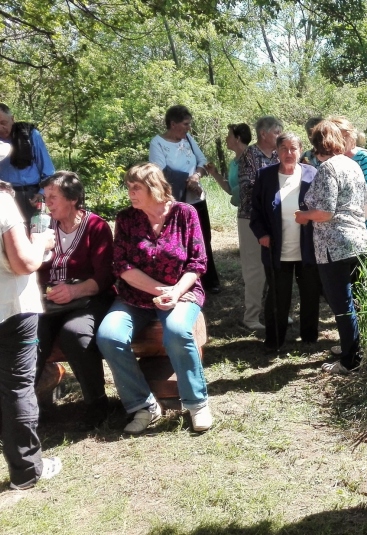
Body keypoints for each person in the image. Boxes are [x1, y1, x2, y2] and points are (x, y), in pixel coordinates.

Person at [96, 163, 212, 434]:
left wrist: (175, 292)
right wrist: (161, 290)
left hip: (182, 292)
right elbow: (121, 266)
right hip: (135, 296)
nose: (130, 194)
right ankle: (143, 405)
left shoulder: (185, 213)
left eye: (136, 188)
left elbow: (197, 263)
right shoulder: (126, 219)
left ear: (154, 188)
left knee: (176, 331)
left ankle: (197, 403)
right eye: (129, 188)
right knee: (109, 335)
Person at [35, 171, 115, 429]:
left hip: (87, 300)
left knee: (75, 334)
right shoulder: (42, 227)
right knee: (30, 337)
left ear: (72, 199)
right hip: (48, 303)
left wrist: (74, 291)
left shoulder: (96, 227)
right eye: (46, 197)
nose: (48, 203)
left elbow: (105, 276)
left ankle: (96, 403)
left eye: (53, 197)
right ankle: (21, 408)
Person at [295, 120, 367, 374]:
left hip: (334, 245)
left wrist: (304, 216)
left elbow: (325, 212)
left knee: (341, 305)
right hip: (358, 240)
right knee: (353, 301)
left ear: (316, 144)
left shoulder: (327, 168)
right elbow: (363, 206)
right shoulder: (353, 165)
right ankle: (355, 347)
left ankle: (351, 360)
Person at [0, 180, 61, 489]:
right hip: (10, 307)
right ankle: (26, 471)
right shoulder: (2, 201)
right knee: (17, 387)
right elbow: (23, 263)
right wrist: (41, 244)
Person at [251, 133, 321, 351]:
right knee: (278, 296)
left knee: (310, 294)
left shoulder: (312, 174)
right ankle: (275, 340)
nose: (289, 153)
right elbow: (256, 212)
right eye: (284, 148)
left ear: (301, 151)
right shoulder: (265, 176)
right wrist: (262, 234)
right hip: (276, 249)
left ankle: (309, 337)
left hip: (307, 248)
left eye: (293, 148)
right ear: (277, 151)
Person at [149, 104, 220, 293]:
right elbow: (158, 172)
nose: (189, 128)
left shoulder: (187, 138)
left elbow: (202, 161)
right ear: (173, 124)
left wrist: (195, 177)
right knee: (179, 241)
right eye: (186, 124)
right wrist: (184, 180)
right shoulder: (158, 143)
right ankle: (182, 282)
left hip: (196, 198)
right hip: (175, 201)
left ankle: (209, 281)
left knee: (204, 238)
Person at [207, 123, 267, 331]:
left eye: (229, 135)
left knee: (264, 266)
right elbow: (231, 190)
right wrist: (214, 174)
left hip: (257, 216)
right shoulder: (235, 162)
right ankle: (252, 315)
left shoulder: (253, 158)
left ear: (238, 138)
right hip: (245, 215)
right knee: (253, 266)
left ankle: (265, 312)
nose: (226, 139)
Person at [329, 116, 367, 244]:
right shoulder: (327, 161)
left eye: (345, 136)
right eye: (337, 137)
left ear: (352, 136)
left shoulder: (365, 157)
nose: (342, 141)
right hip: (345, 231)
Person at [0, 103, 56, 223]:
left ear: (12, 119)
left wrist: (42, 193)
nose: (0, 128)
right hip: (4, 195)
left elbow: (48, 170)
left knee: (35, 233)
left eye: (3, 123)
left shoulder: (30, 135)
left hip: (31, 194)